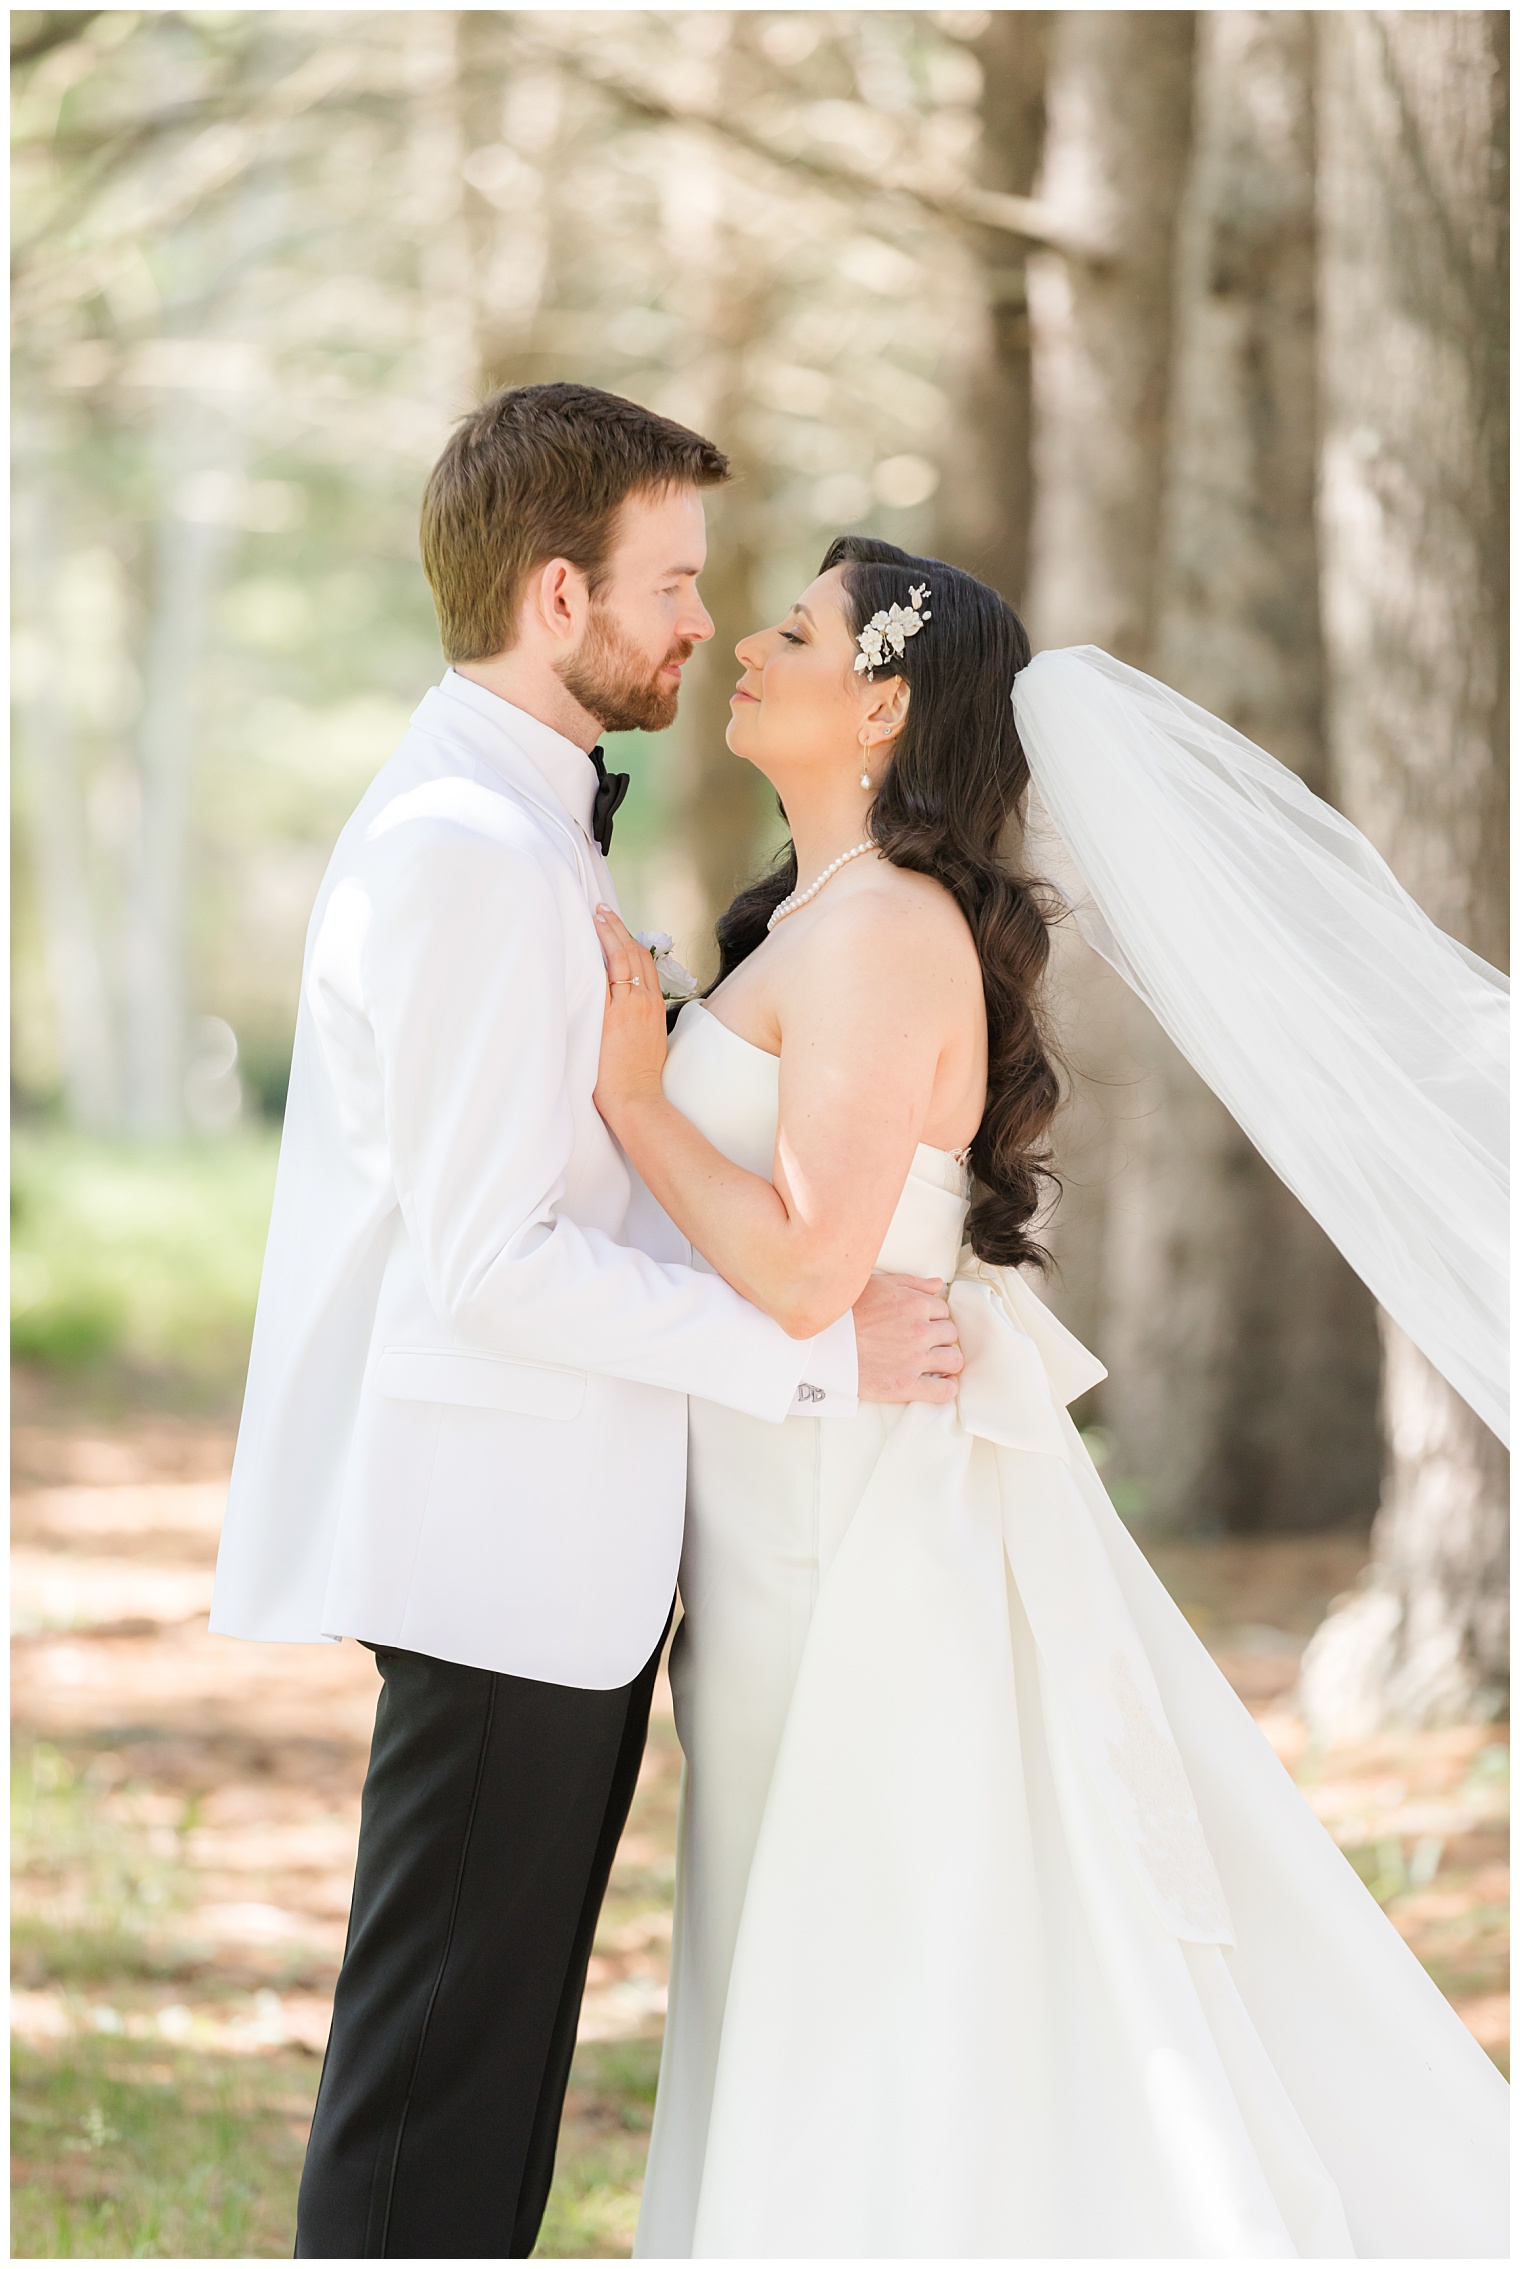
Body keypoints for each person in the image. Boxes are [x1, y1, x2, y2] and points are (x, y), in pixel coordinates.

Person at [590, 536, 1509, 2258]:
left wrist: (640, 1099)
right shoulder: (826, 913)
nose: (746, 651)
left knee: (859, 1926)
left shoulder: (878, 934)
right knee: (814, 1913)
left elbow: (805, 1273)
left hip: (840, 1517)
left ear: (881, 703)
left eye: (790, 630)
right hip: (797, 1486)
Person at [208, 389, 962, 2260]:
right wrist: (811, 1347)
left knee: (487, 2089)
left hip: (562, 1556)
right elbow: (490, 1260)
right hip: (502, 1559)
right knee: (431, 2108)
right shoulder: (469, 847)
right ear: (561, 599)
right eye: (677, 586)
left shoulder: (528, 819)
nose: (706, 626)